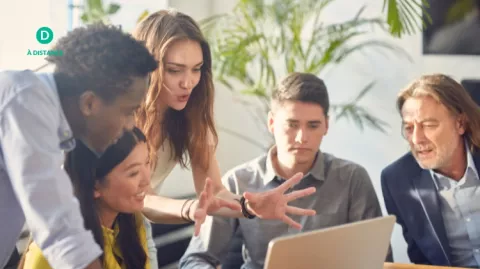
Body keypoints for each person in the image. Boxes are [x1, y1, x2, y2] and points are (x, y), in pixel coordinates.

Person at [132, 9, 319, 267]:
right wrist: (190, 209)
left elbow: (215, 190)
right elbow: (141, 197)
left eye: (196, 69)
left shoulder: (190, 113)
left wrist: (247, 206)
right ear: (148, 67)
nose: (188, 82)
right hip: (88, 226)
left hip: (135, 231)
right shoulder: (123, 115)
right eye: (175, 70)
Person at [179, 72, 391, 269]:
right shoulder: (238, 181)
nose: (301, 137)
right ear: (272, 122)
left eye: (313, 125)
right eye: (292, 124)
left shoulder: (352, 179)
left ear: (326, 125)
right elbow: (195, 259)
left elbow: (380, 259)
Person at [0, 23, 158, 269]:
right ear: (89, 104)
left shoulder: (53, 129)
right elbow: (58, 226)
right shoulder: (25, 100)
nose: (129, 126)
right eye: (127, 112)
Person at [381, 74, 480, 267]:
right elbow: (422, 259)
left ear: (460, 123)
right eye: (409, 128)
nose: (416, 139)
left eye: (428, 125)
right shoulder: (396, 180)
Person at [19, 127, 151, 269]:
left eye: (148, 162)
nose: (147, 180)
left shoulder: (131, 223)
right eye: (134, 173)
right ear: (94, 186)